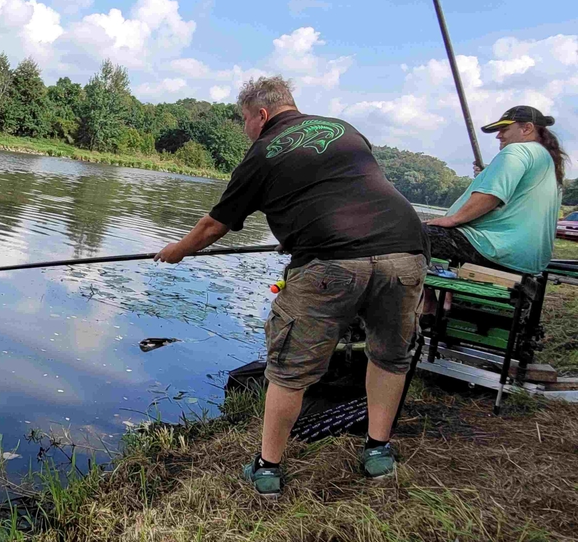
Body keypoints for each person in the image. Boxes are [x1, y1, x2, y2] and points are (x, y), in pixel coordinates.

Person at [155, 76, 429, 497]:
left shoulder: (262, 152)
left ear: (261, 115)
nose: (245, 128)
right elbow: (342, 193)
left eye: (244, 119)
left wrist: (178, 250)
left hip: (331, 263)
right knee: (389, 355)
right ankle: (378, 452)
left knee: (289, 369)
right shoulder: (345, 130)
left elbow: (214, 226)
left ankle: (268, 469)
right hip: (406, 250)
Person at [426, 106, 566, 275]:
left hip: (495, 249)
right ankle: (439, 297)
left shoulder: (518, 150)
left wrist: (453, 219)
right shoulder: (547, 162)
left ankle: (426, 300)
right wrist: (487, 173)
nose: (499, 135)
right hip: (527, 258)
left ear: (527, 128)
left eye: (504, 129)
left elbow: (491, 195)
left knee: (409, 235)